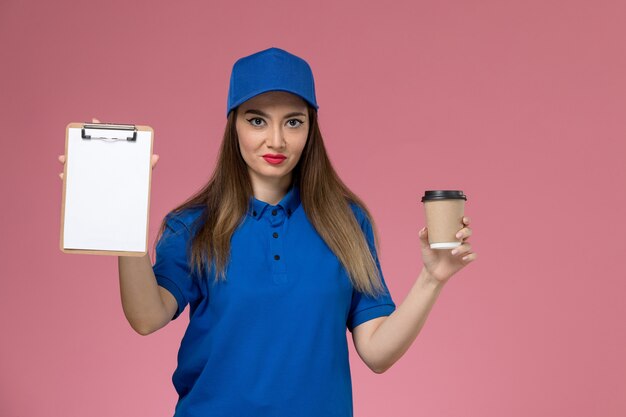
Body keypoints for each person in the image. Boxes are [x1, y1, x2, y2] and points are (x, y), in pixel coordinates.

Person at [58, 47, 477, 417]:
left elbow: (377, 353)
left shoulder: (347, 223)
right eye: (257, 120)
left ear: (310, 129)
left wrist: (432, 279)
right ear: (233, 125)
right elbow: (147, 317)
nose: (275, 139)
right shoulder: (193, 225)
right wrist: (122, 218)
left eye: (293, 123)